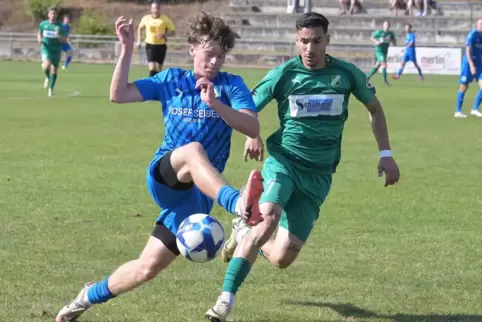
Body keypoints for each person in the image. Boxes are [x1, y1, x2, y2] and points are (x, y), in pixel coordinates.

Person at [55, 13, 265, 322]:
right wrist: (127, 48)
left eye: (221, 55)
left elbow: (251, 125)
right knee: (193, 150)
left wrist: (217, 105)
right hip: (165, 176)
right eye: (210, 53)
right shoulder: (172, 81)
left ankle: (85, 297)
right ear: (192, 47)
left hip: (197, 199)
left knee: (146, 268)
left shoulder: (231, 86)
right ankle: (238, 205)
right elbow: (119, 94)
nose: (215, 61)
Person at [205, 12, 400, 322]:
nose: (310, 48)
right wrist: (253, 134)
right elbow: (248, 108)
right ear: (297, 41)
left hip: (319, 176)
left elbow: (375, 110)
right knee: (268, 218)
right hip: (284, 162)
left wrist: (386, 153)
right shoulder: (284, 74)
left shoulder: (346, 74)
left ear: (327, 41)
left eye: (316, 41)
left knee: (281, 257)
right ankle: (224, 302)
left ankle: (244, 231)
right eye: (304, 42)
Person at [137, 0, 176, 76]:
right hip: (150, 45)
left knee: (158, 69)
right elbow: (140, 28)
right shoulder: (146, 18)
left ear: (159, 9)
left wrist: (164, 35)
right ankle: (150, 85)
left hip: (161, 46)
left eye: (157, 8)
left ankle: (157, 85)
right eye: (154, 8)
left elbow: (173, 31)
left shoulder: (165, 19)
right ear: (151, 9)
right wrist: (139, 40)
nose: (155, 10)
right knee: (152, 67)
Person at [454, 19, 482, 119]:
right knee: (464, 86)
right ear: (477, 25)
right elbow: (467, 51)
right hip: (469, 64)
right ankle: (458, 111)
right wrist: (471, 65)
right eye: (481, 23)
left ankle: (474, 109)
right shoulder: (471, 35)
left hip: (479, 64)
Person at [37, 7, 67, 97]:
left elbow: (65, 40)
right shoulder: (43, 24)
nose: (53, 15)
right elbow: (39, 33)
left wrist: (59, 37)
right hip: (46, 48)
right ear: (48, 15)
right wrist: (39, 39)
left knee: (54, 70)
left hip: (56, 50)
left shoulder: (60, 26)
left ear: (57, 15)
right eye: (51, 13)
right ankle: (47, 77)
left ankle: (51, 88)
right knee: (46, 66)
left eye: (54, 13)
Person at [367, 21, 396, 86]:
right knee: (384, 64)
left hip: (385, 52)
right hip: (379, 51)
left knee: (377, 66)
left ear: (389, 26)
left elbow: (394, 43)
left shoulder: (391, 34)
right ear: (383, 25)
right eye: (385, 25)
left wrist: (390, 40)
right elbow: (371, 37)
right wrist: (377, 42)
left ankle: (367, 78)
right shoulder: (379, 32)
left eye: (388, 25)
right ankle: (385, 81)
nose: (386, 26)